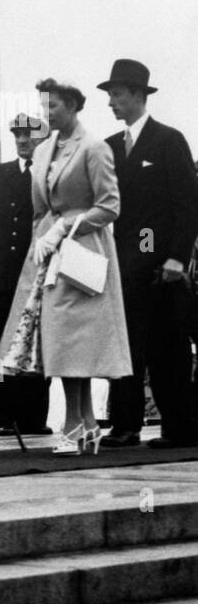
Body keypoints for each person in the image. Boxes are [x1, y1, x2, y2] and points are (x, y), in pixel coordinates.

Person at [0, 79, 133, 454]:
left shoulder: (94, 148)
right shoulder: (43, 152)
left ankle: (76, 425)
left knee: (75, 341)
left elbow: (109, 207)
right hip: (47, 254)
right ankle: (84, 424)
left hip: (83, 250)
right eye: (44, 106)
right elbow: (40, 209)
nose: (46, 113)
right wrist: (40, 241)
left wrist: (65, 226)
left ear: (72, 106)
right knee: (60, 340)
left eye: (53, 106)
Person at [98, 60, 198, 449]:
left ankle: (180, 427)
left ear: (139, 95)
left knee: (166, 347)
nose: (111, 103)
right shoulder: (108, 147)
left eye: (118, 95)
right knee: (126, 345)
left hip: (156, 263)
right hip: (122, 262)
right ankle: (125, 424)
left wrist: (175, 256)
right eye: (109, 96)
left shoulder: (167, 140)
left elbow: (187, 204)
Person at [0, 113, 52, 435]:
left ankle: (34, 417)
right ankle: (3, 415)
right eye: (19, 137)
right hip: (2, 278)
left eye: (30, 137)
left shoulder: (51, 175)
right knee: (2, 348)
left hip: (37, 274)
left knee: (37, 347)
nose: (23, 142)